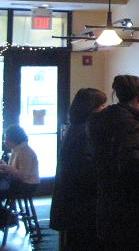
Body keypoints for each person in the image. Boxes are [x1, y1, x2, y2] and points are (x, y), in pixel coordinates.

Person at [88, 75, 139, 250]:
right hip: (131, 210)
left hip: (106, 202)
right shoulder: (133, 127)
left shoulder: (100, 120)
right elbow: (134, 168)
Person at [50, 87, 107, 250]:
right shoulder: (85, 132)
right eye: (102, 106)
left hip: (72, 201)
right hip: (82, 204)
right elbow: (87, 169)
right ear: (93, 109)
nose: (104, 110)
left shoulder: (75, 128)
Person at [0, 125, 39, 199]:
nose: (5, 142)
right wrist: (4, 165)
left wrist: (6, 167)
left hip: (27, 185)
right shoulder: (16, 150)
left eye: (7, 139)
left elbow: (23, 175)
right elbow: (13, 169)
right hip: (18, 183)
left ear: (14, 139)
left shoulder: (25, 152)